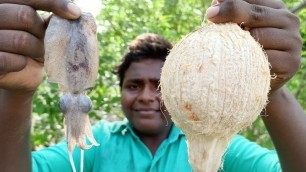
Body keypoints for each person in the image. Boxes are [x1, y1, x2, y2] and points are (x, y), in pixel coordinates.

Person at [0, 0, 305, 171]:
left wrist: (271, 87)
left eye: (158, 85)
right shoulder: (96, 146)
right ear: (120, 91)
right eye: (134, 85)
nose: (146, 96)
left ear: (178, 88)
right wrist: (16, 93)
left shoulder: (218, 141)